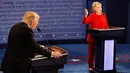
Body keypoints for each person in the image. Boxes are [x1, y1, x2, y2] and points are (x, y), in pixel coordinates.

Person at [82, 1, 109, 72]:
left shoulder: (104, 15)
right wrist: (86, 15)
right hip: (92, 38)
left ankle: (101, 66)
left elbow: (106, 26)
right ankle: (91, 66)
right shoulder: (92, 16)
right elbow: (85, 22)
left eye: (101, 7)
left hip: (102, 38)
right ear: (94, 8)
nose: (100, 8)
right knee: (91, 53)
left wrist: (108, 33)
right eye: (98, 7)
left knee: (101, 52)